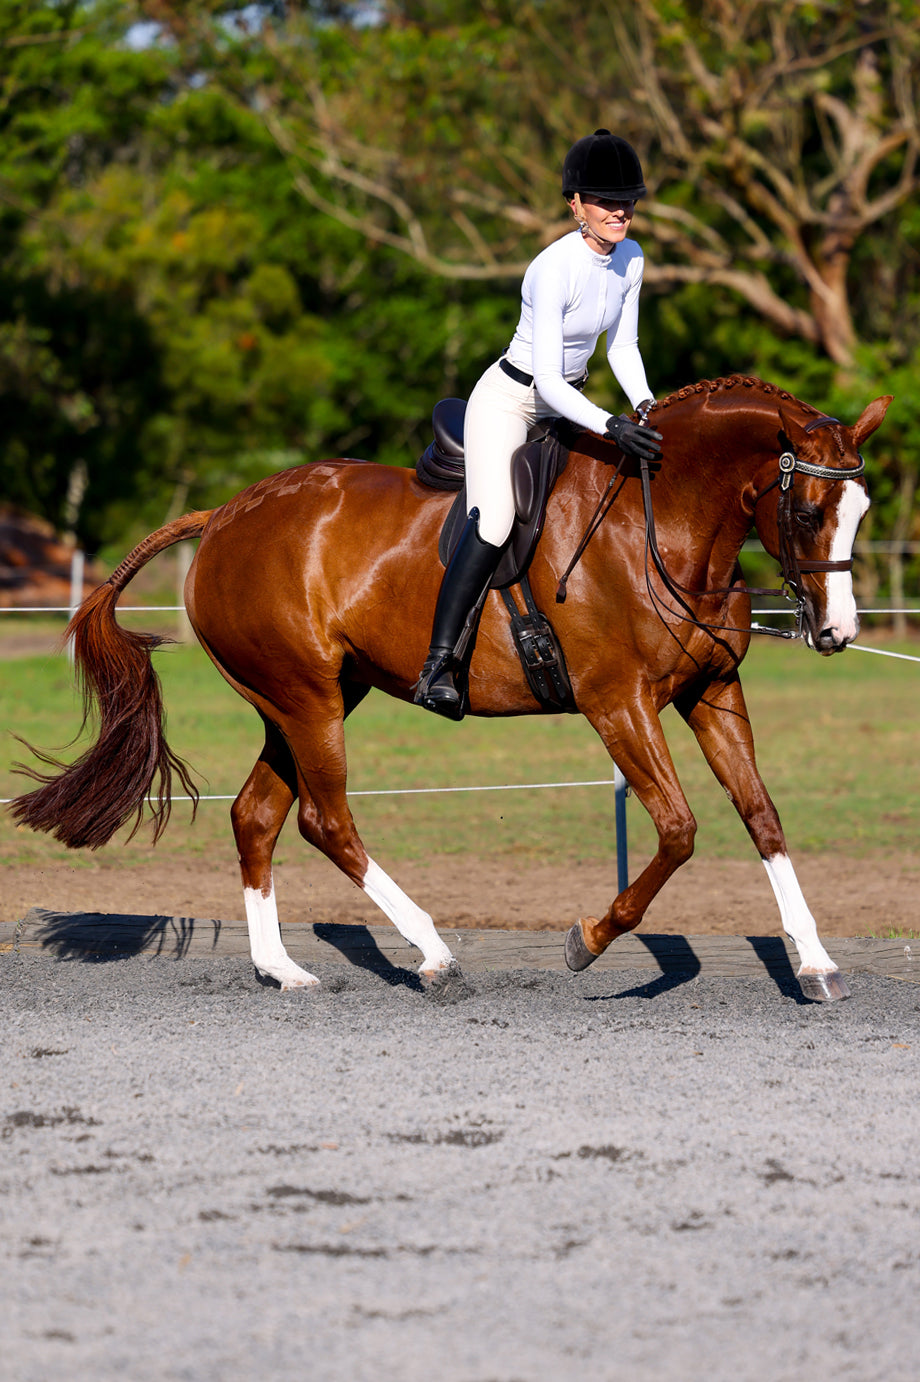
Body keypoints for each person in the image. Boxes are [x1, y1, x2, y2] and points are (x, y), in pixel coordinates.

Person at [414, 129, 663, 720]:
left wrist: (648, 407)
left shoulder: (631, 258)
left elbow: (622, 349)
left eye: (627, 198)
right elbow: (546, 381)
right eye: (605, 200)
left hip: (568, 401)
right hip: (512, 400)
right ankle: (439, 664)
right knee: (496, 518)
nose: (619, 210)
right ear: (575, 203)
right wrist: (611, 424)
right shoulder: (553, 268)